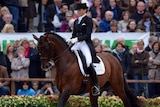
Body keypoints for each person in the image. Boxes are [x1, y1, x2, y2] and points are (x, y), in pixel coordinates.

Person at [67, 3, 100, 96]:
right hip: (77, 44)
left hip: (85, 43)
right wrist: (71, 40)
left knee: (89, 62)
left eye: (81, 10)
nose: (79, 11)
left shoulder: (89, 20)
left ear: (85, 10)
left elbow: (87, 35)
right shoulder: (76, 21)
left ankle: (96, 85)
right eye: (78, 10)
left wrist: (77, 39)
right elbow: (74, 34)